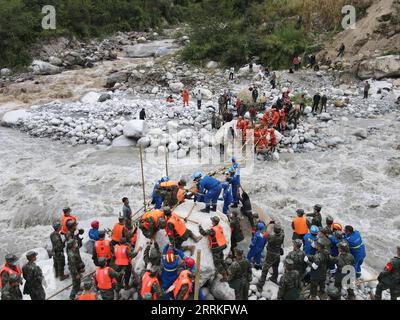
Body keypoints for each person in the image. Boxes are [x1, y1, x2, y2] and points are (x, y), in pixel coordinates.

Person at [199, 216, 229, 281]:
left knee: (217, 263)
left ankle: (225, 276)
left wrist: (200, 227)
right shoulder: (219, 227)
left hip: (217, 248)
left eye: (212, 221)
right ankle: (228, 271)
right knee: (221, 260)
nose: (211, 222)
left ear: (214, 222)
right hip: (222, 246)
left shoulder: (212, 230)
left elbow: (203, 233)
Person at [257, 222, 285, 291]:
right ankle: (274, 278)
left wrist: (266, 230)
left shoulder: (272, 237)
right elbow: (282, 231)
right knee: (275, 267)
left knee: (265, 269)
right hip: (277, 254)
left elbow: (265, 236)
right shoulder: (282, 235)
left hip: (271, 254)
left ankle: (260, 284)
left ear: (274, 230)